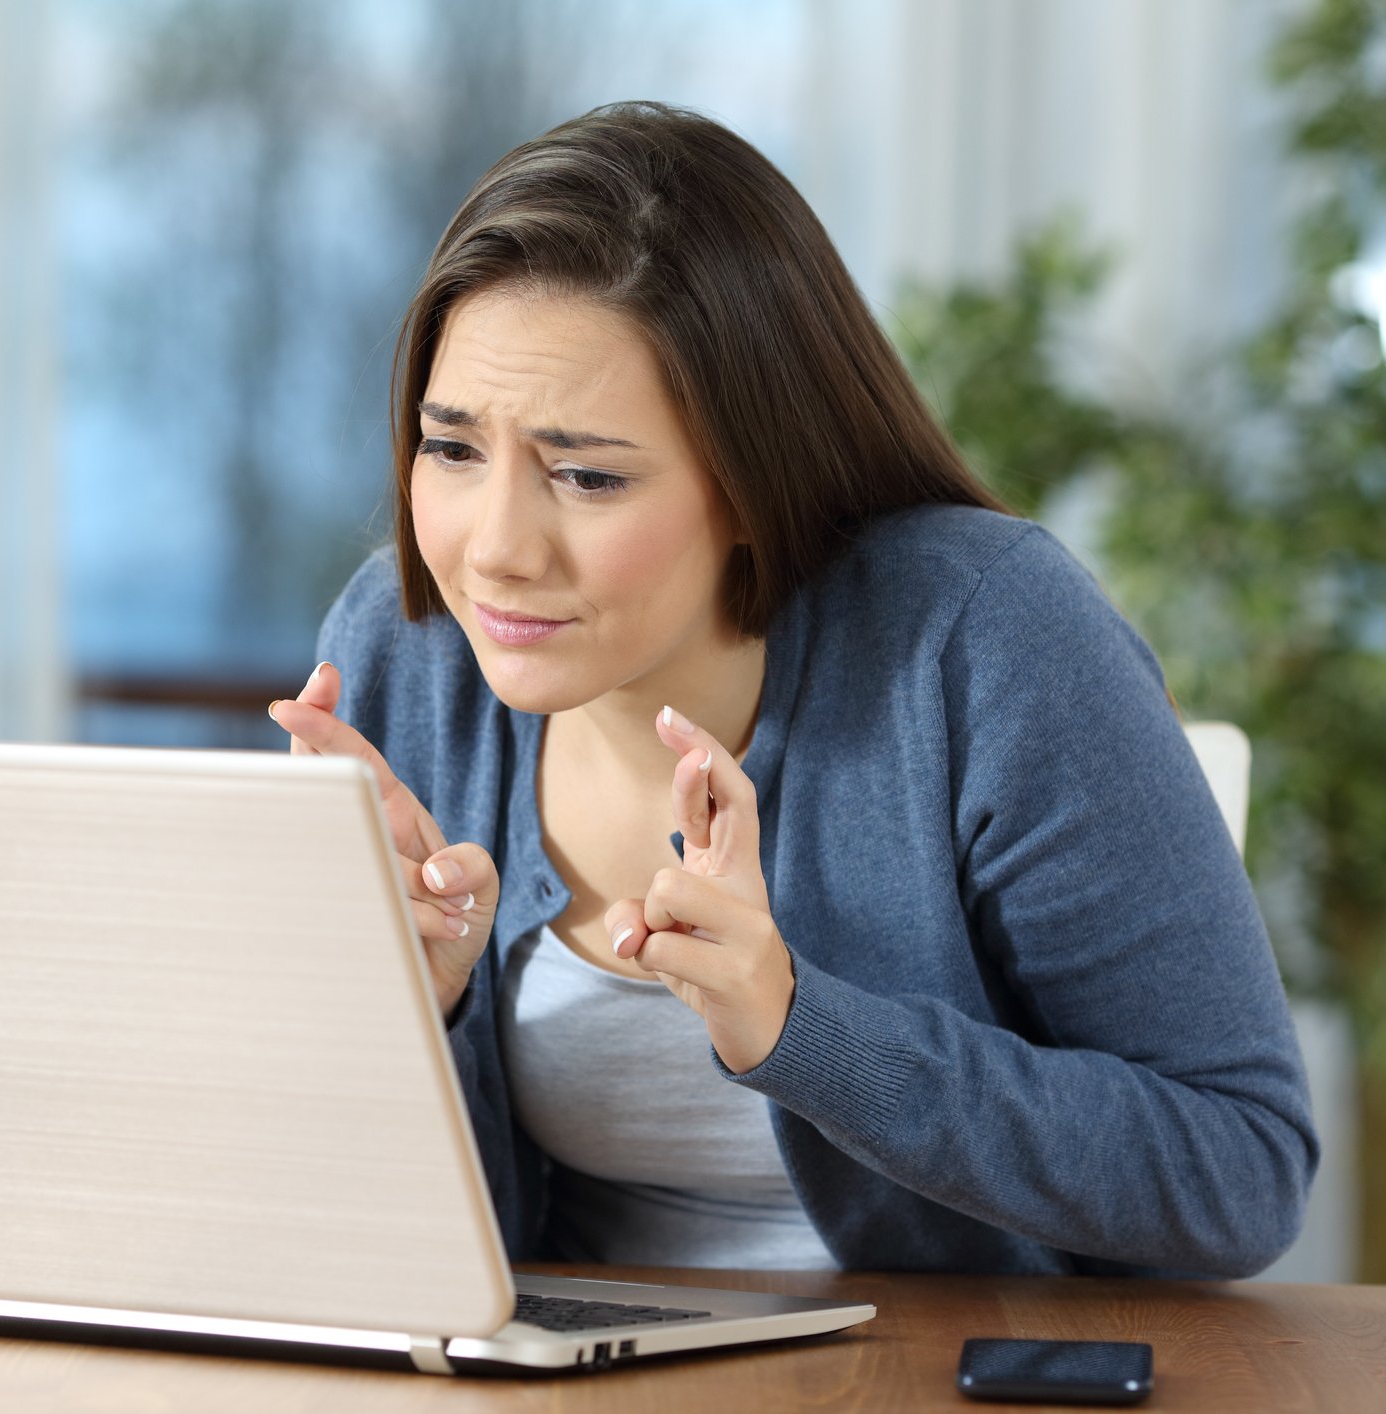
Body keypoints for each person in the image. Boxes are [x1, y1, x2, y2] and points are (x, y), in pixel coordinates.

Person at [267, 101, 1316, 1277]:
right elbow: (391, 1256)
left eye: (586, 474)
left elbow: (1242, 1171)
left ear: (751, 479)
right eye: (452, 449)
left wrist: (797, 1025)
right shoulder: (400, 652)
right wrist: (420, 1015)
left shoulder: (982, 638)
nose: (496, 547)